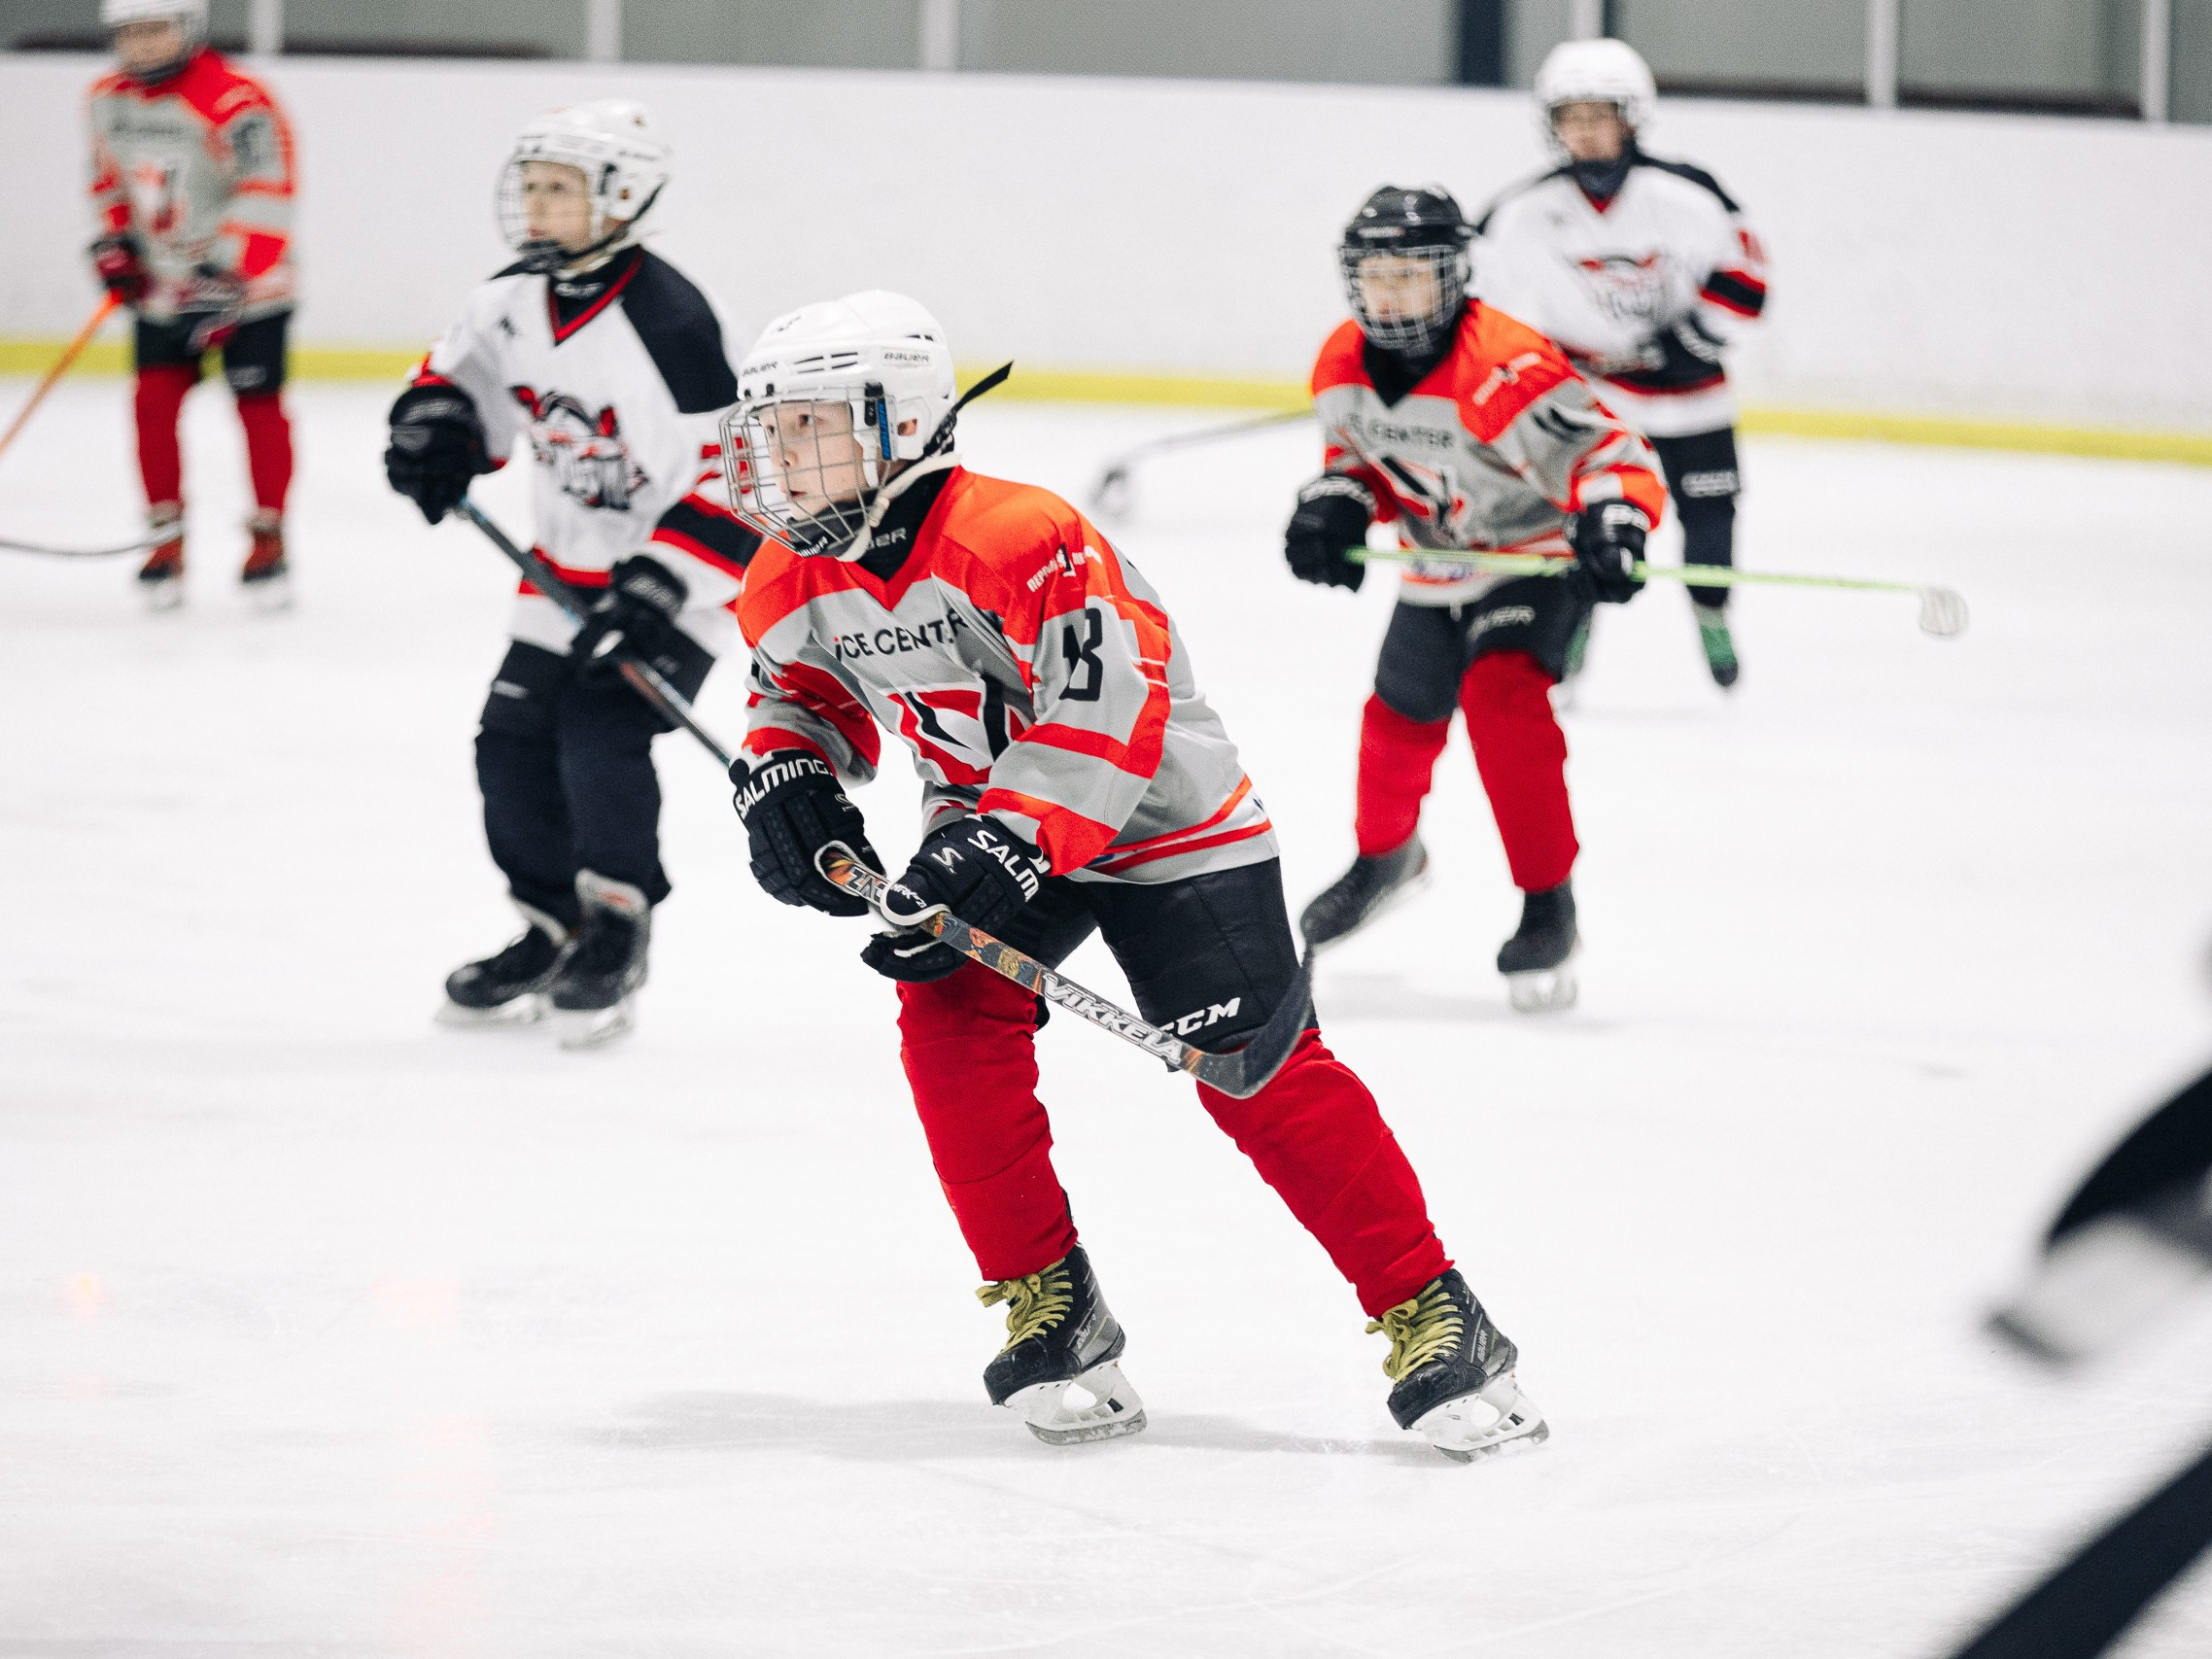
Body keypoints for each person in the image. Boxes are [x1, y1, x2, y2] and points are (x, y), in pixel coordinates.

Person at [721, 291, 1546, 1462]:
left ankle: (1435, 1310)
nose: (778, 455)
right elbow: (796, 696)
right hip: (997, 829)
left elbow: (1109, 709)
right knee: (946, 1021)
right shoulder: (790, 573)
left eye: (808, 425)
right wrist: (784, 772)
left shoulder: (1022, 534)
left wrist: (999, 843)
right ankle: (1051, 1305)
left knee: (1257, 1072)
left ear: (897, 422)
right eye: (769, 428)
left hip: (1165, 822)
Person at [382, 101, 755, 1049]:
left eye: (561, 189)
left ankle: (618, 927)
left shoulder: (671, 323)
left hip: (678, 587)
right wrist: (434, 431)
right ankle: (553, 924)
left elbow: (740, 479)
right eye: (532, 186)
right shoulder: (506, 300)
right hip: (562, 572)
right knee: (508, 744)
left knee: (601, 736)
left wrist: (660, 583)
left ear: (621, 197)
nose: (536, 205)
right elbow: (451, 382)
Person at [1287, 186, 1670, 1013]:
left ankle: (1548, 901)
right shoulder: (1341, 362)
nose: (1390, 296)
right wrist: (1337, 503)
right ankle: (1387, 858)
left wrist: (1615, 518)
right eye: (1375, 277)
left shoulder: (1506, 365)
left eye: (1409, 276)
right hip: (1438, 562)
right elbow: (1361, 465)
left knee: (1502, 701)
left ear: (1453, 276)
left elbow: (1614, 455)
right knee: (1397, 716)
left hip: (1534, 557)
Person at [1474, 36, 1770, 688]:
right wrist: (1535, 367)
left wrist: (1684, 346)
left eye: (1599, 115)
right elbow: (1478, 311)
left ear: (1632, 117)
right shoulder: (1519, 213)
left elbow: (1748, 283)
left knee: (1710, 525)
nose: (1585, 131)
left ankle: (1712, 611)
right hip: (1595, 402)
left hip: (1695, 399)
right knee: (1592, 523)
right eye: (1570, 117)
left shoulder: (1688, 194)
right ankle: (1571, 625)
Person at [86, 0, 298, 610]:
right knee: (152, 405)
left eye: (157, 30)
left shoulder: (236, 99)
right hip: (163, 285)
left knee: (258, 407)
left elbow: (269, 185)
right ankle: (165, 538)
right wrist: (117, 241)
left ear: (190, 29)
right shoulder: (107, 99)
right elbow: (108, 178)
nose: (143, 44)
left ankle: (268, 536)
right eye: (130, 33)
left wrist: (225, 271)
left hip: (250, 289)